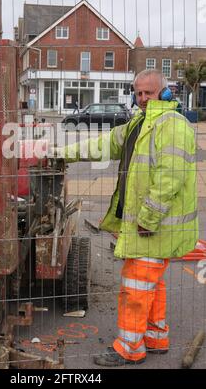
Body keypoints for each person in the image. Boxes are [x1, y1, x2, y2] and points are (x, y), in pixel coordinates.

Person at [64, 69, 198, 366]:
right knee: (151, 284)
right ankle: (155, 337)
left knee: (135, 287)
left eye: (148, 93)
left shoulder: (172, 125)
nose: (142, 99)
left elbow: (169, 180)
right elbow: (102, 145)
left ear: (164, 92)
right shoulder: (140, 123)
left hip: (154, 227)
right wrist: (60, 152)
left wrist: (148, 218)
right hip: (153, 228)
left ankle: (129, 347)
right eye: (138, 93)